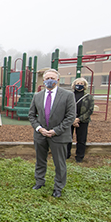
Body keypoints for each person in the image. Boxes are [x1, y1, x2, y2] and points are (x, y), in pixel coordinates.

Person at [28, 69, 76, 198]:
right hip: (41, 135)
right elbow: (31, 115)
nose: (50, 80)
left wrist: (56, 131)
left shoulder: (67, 95)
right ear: (43, 80)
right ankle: (39, 181)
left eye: (52, 78)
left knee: (59, 162)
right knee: (40, 160)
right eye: (47, 78)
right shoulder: (37, 96)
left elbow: (70, 116)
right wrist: (39, 128)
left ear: (57, 80)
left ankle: (58, 187)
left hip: (59, 135)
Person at [67, 77, 94, 163]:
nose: (79, 85)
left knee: (81, 139)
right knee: (67, 138)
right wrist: (72, 119)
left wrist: (78, 119)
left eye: (81, 84)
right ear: (74, 85)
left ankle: (79, 157)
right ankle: (66, 154)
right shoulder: (69, 95)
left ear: (85, 86)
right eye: (77, 83)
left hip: (83, 121)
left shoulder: (89, 97)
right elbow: (65, 108)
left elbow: (90, 110)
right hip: (69, 120)